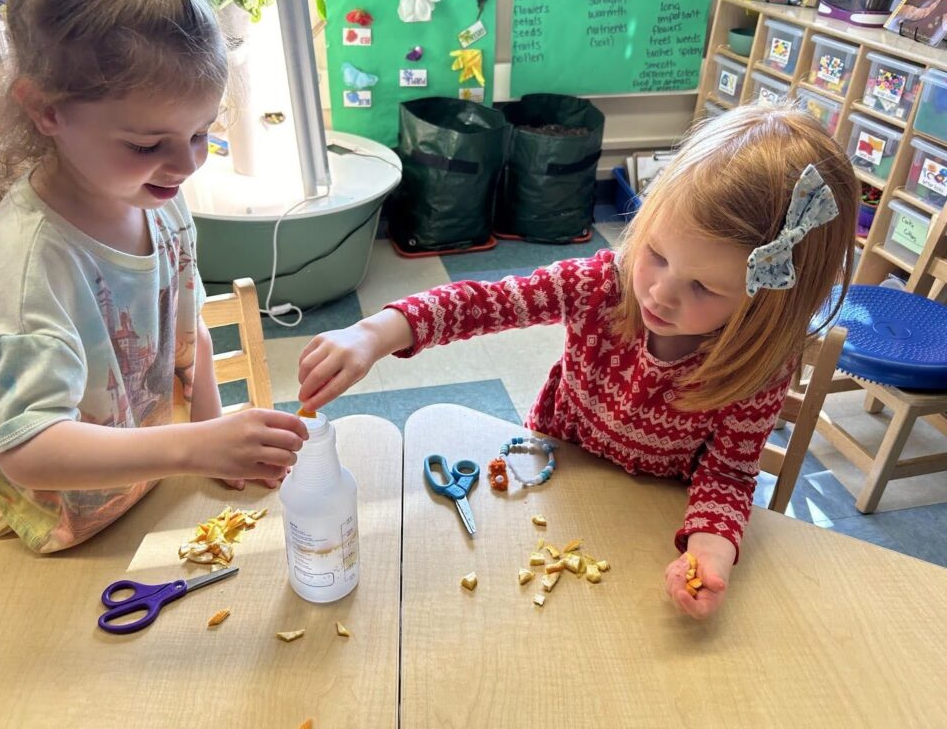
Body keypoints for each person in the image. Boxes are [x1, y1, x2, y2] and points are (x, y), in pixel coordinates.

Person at [297, 104, 858, 619]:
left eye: (704, 288)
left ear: (766, 303)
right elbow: (485, 303)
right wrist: (377, 330)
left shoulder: (760, 366)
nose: (660, 293)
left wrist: (711, 548)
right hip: (552, 466)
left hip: (654, 512)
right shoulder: (601, 286)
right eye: (656, 255)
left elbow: (728, 474)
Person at [0, 0, 307, 558]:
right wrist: (193, 447)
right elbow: (26, 447)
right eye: (148, 144)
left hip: (144, 487)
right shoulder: (34, 259)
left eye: (202, 132)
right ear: (46, 111)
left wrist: (211, 439)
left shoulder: (161, 200)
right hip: (58, 523)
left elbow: (190, 339)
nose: (187, 165)